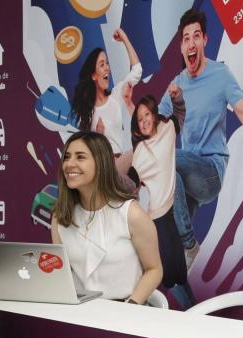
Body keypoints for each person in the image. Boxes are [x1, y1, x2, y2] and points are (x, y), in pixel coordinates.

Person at [159, 8, 243, 266]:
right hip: (184, 176)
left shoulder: (220, 75)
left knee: (167, 157)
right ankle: (183, 259)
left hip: (210, 172)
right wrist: (130, 106)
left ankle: (190, 244)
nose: (191, 43)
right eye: (185, 38)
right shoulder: (177, 84)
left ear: (205, 40)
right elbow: (152, 124)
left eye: (196, 36)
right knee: (170, 256)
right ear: (181, 47)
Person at [52, 132, 161, 304]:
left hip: (125, 310)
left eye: (80, 157)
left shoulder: (131, 213)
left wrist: (129, 307)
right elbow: (59, 272)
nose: (69, 164)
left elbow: (154, 270)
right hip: (77, 311)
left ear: (101, 163)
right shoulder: (60, 217)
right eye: (66, 157)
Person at [130, 87, 196, 308]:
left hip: (173, 211)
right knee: (171, 277)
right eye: (139, 120)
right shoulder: (140, 151)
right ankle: (191, 317)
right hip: (158, 219)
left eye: (146, 115)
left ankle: (195, 315)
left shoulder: (167, 128)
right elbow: (131, 181)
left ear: (154, 113)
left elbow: (180, 115)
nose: (144, 121)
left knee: (180, 274)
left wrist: (177, 98)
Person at [71, 29, 142, 184]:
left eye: (107, 63)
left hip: (120, 164)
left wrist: (124, 37)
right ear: (93, 75)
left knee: (141, 152)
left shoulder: (116, 96)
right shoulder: (88, 114)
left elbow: (137, 70)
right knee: (140, 150)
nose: (107, 68)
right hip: (103, 168)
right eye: (102, 64)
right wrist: (98, 137)